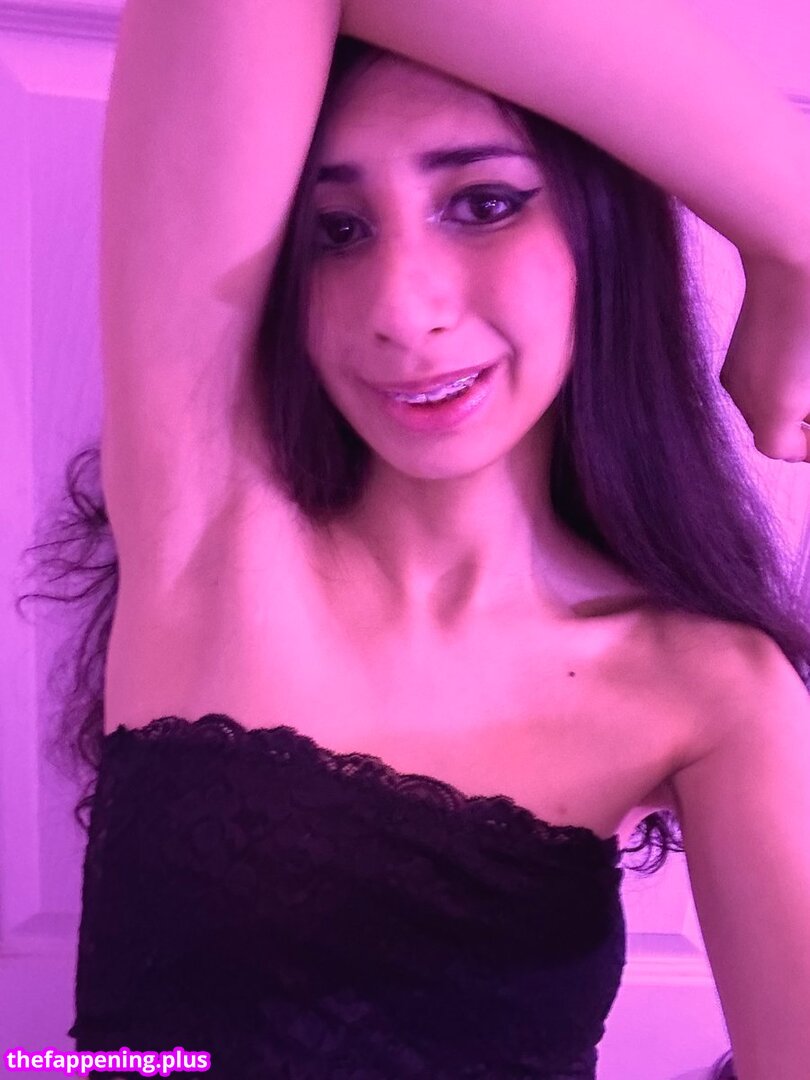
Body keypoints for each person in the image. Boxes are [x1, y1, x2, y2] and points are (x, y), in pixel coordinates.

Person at [15, 1, 810, 1077]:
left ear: (600, 233)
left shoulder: (709, 690)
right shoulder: (216, 531)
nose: (399, 308)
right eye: (338, 231)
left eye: (483, 204)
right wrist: (794, 222)